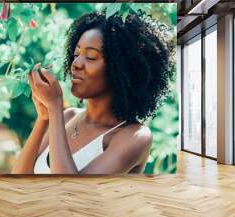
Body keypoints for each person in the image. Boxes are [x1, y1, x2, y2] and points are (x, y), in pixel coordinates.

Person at [11, 11, 173, 174]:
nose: (76, 63)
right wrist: (44, 117)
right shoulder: (68, 117)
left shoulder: (135, 136)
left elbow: (71, 193)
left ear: (121, 69)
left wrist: (55, 108)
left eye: (91, 57)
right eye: (76, 54)